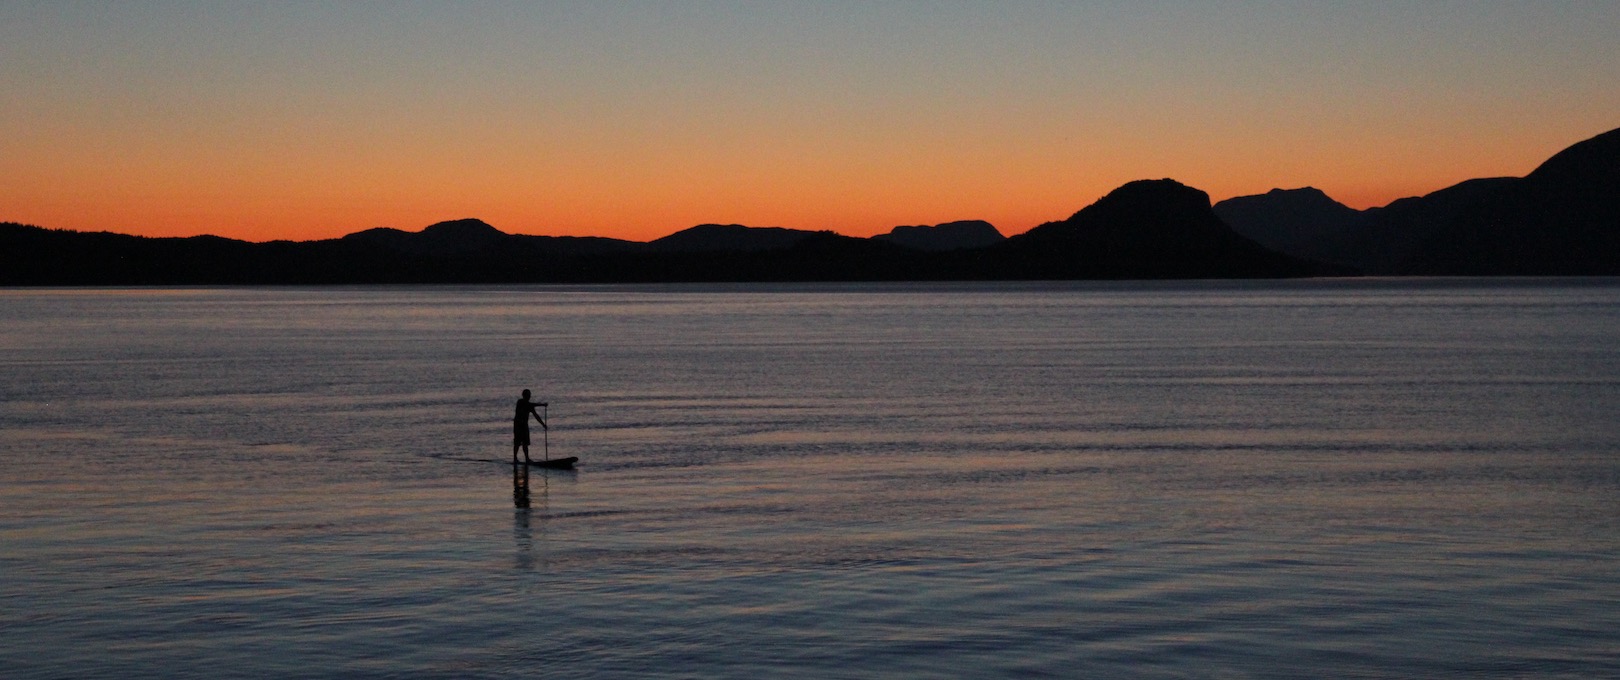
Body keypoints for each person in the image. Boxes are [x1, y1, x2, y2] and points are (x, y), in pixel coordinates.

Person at [513, 389, 547, 464]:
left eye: (529, 395)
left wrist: (543, 424)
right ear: (524, 396)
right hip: (518, 425)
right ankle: (515, 458)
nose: (529, 397)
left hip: (524, 425)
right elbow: (530, 404)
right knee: (517, 442)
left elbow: (536, 416)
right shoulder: (520, 402)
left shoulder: (529, 405)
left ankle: (527, 459)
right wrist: (542, 405)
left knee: (525, 443)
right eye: (527, 395)